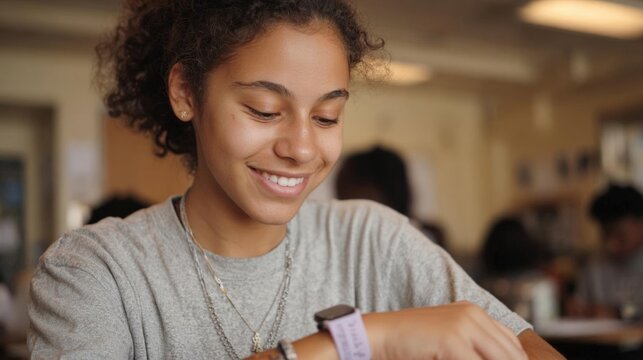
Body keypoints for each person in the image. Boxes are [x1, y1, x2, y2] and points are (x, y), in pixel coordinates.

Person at [28, 1, 562, 359]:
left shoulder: (372, 239)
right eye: (264, 110)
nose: (303, 148)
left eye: (327, 117)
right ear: (187, 93)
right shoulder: (95, 271)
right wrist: (368, 338)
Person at [574, 183, 643, 319]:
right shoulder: (596, 263)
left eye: (619, 235)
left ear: (640, 223)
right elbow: (579, 304)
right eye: (605, 234)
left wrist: (618, 313)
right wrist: (578, 310)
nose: (611, 244)